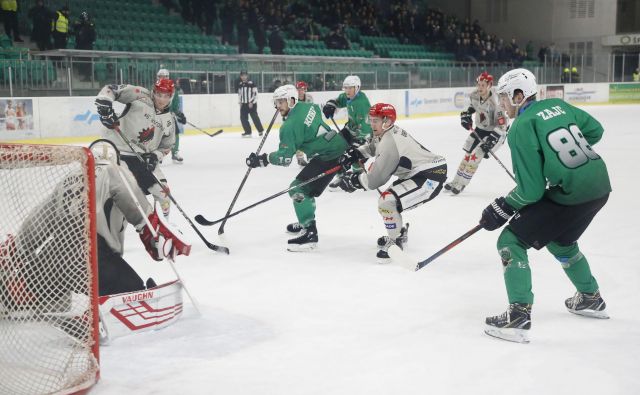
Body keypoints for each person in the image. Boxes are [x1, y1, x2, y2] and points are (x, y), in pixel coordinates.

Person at [479, 68, 611, 344]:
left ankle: (518, 315)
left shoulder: (521, 127)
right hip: (599, 186)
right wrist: (562, 160)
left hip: (572, 193)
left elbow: (531, 190)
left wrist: (502, 207)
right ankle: (590, 297)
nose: (501, 103)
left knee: (510, 240)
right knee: (561, 241)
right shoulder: (557, 105)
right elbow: (595, 131)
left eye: (504, 97)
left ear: (518, 95)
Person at [337, 103, 447, 261]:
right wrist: (356, 154)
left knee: (387, 202)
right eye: (371, 119)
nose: (371, 123)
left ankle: (396, 242)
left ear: (387, 121)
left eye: (375, 120)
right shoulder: (384, 133)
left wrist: (354, 181)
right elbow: (374, 147)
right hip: (418, 174)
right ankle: (399, 234)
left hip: (431, 176)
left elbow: (375, 180)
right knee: (388, 201)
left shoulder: (390, 142)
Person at [245, 84, 348, 251]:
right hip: (336, 146)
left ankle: (309, 232)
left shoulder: (289, 126)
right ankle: (304, 221)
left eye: (281, 102)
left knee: (297, 189)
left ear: (292, 100)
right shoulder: (308, 106)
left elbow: (285, 158)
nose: (278, 106)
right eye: (276, 102)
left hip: (329, 156)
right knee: (303, 188)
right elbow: (315, 115)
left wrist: (263, 159)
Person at [88, 139, 190, 296]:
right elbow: (132, 201)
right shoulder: (115, 171)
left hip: (53, 260)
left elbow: (37, 222)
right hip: (93, 255)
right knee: (132, 291)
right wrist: (152, 231)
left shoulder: (69, 179)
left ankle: (43, 294)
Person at [94, 79, 177, 219]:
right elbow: (111, 89)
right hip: (117, 151)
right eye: (159, 94)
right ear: (153, 91)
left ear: (171, 96)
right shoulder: (140, 94)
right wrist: (105, 107)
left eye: (166, 96)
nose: (161, 99)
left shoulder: (169, 120)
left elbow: (166, 147)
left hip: (142, 159)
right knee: (111, 193)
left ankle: (165, 227)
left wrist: (155, 156)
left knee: (164, 195)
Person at [444, 72, 508, 195]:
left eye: (483, 85)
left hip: (493, 133)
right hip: (479, 129)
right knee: (467, 156)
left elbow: (503, 125)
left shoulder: (496, 102)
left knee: (475, 158)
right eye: (479, 84)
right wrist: (466, 116)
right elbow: (472, 107)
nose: (480, 88)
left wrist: (492, 139)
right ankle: (455, 181)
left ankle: (462, 184)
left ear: (490, 85)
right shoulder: (474, 95)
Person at [322, 75, 373, 190]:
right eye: (346, 88)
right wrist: (331, 105)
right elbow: (339, 100)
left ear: (357, 88)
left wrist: (359, 141)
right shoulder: (350, 96)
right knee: (335, 149)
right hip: (350, 129)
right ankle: (341, 176)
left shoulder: (362, 104)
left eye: (350, 88)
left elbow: (366, 127)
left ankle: (359, 179)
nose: (347, 91)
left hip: (364, 135)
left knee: (355, 157)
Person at [157, 68, 187, 163]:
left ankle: (174, 153)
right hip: (157, 116)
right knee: (157, 135)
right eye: (161, 76)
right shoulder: (154, 88)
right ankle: (157, 154)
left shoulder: (173, 89)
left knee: (175, 134)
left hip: (169, 116)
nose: (163, 78)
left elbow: (175, 105)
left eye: (165, 76)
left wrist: (179, 114)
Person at [237, 70, 264, 138]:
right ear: (240, 76)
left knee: (254, 117)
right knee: (243, 118)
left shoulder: (251, 83)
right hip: (243, 104)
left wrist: (251, 102)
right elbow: (239, 94)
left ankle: (260, 131)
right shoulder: (240, 84)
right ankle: (248, 132)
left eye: (245, 75)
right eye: (242, 75)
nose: (243, 77)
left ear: (247, 76)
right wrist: (240, 102)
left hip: (251, 104)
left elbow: (255, 93)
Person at [295, 80, 313, 166]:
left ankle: (310, 155)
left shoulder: (309, 98)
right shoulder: (293, 99)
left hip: (308, 121)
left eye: (301, 89)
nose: (300, 91)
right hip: (297, 123)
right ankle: (300, 158)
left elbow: (312, 109)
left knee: (310, 139)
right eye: (298, 89)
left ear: (305, 89)